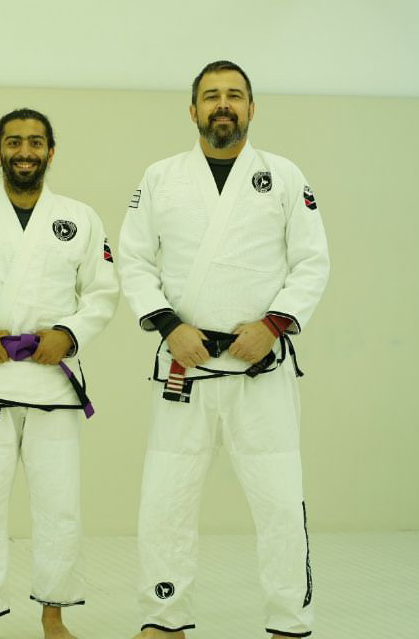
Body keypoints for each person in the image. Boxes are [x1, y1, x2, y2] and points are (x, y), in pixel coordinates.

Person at [117, 61, 329, 638]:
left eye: (234, 95)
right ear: (193, 110)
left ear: (252, 108)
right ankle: (164, 618)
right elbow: (133, 258)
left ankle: (289, 622)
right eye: (211, 96)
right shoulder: (161, 177)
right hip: (184, 362)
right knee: (166, 498)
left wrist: (274, 325)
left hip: (260, 365)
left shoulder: (283, 176)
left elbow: (312, 261)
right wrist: (168, 325)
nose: (223, 104)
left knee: (280, 500)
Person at [0, 108, 119, 639]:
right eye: (14, 142)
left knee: (59, 506)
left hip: (52, 379)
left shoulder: (80, 217)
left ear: (51, 152)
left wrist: (69, 334)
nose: (25, 151)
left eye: (36, 142)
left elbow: (102, 290)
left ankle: (54, 615)